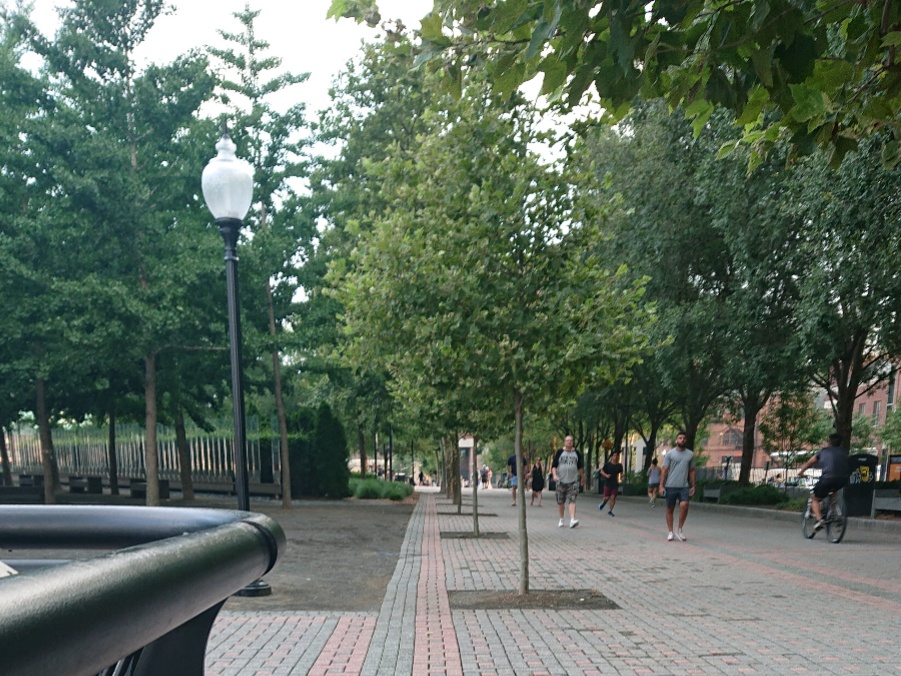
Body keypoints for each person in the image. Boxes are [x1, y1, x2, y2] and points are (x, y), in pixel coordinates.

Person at [797, 433, 850, 531]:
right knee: (833, 492)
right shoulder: (844, 452)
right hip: (843, 479)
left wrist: (801, 472)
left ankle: (819, 520)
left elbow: (809, 463)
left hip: (827, 478)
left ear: (829, 442)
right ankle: (833, 513)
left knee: (815, 498)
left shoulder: (823, 452)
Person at [660, 432, 696, 542]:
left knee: (684, 505)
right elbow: (664, 470)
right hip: (670, 485)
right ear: (676, 440)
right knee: (670, 508)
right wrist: (661, 486)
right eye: (680, 438)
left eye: (684, 438)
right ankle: (670, 531)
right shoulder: (670, 454)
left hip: (684, 486)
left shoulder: (690, 454)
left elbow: (692, 470)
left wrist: (693, 485)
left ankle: (679, 529)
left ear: (686, 440)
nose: (682, 440)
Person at [552, 435, 585, 528]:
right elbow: (554, 466)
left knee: (572, 500)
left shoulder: (577, 453)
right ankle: (561, 519)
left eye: (571, 440)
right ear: (564, 442)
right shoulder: (560, 452)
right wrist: (554, 475)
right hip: (561, 481)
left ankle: (572, 519)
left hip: (573, 481)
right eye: (567, 441)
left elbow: (580, 467)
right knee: (561, 501)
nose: (569, 442)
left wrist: (582, 477)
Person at [598, 450, 624, 516]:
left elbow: (621, 473)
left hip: (615, 483)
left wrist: (622, 476)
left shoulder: (619, 465)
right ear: (612, 457)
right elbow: (601, 471)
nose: (616, 457)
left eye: (617, 456)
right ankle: (603, 503)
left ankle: (610, 511)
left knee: (613, 497)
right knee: (606, 498)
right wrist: (606, 475)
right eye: (614, 455)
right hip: (607, 483)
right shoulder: (608, 465)